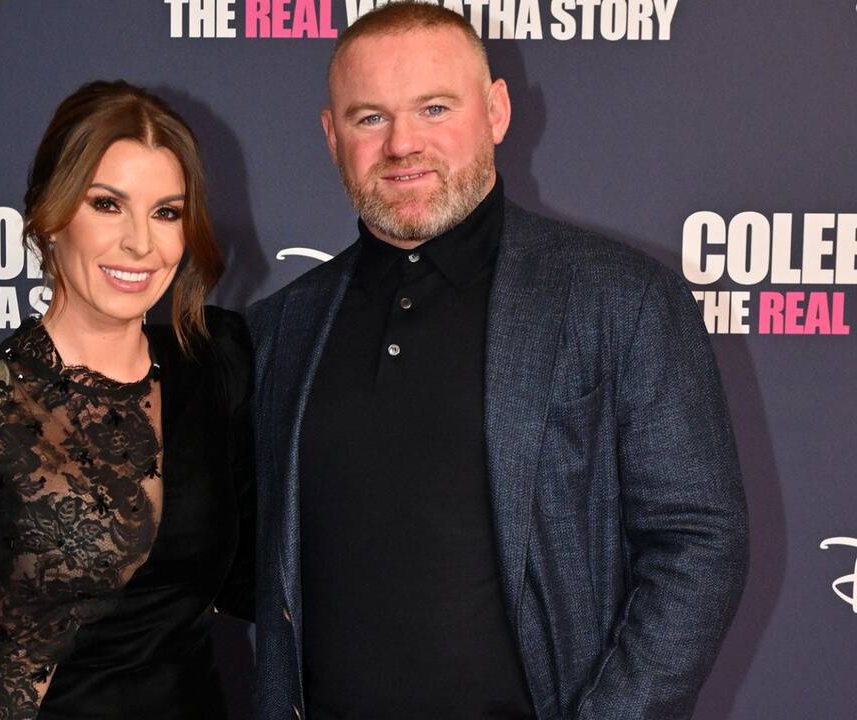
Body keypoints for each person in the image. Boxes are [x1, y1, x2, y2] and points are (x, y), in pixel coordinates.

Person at [246, 4, 748, 720]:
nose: (402, 144)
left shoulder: (622, 298)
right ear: (332, 136)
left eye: (434, 108)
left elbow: (700, 540)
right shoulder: (280, 328)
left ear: (497, 112)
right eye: (370, 118)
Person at [0, 80, 254, 720]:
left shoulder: (215, 367)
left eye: (166, 213)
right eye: (107, 204)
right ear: (50, 213)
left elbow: (257, 577)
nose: (140, 243)